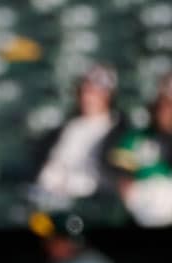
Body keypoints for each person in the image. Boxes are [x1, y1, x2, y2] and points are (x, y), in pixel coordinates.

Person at [33, 64, 124, 207]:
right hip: (59, 196)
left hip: (96, 200)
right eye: (84, 91)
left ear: (108, 95)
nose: (87, 97)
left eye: (94, 92)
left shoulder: (118, 128)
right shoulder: (71, 127)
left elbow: (112, 175)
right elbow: (56, 164)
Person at [104, 72, 172, 228]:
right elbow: (120, 171)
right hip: (141, 204)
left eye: (169, 105)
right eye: (162, 105)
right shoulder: (137, 137)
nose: (165, 111)